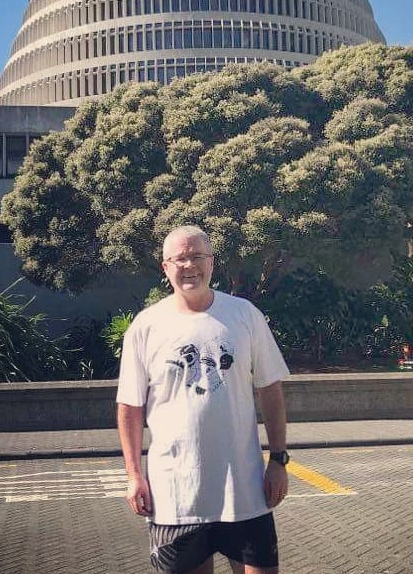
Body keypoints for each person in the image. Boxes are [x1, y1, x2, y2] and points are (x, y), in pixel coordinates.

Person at [117, 225, 291, 574]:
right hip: (175, 497)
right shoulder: (146, 325)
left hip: (243, 493)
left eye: (197, 256)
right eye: (179, 258)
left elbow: (270, 390)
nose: (189, 265)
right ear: (165, 267)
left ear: (212, 263)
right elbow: (130, 406)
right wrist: (134, 475)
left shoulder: (245, 315)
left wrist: (278, 459)